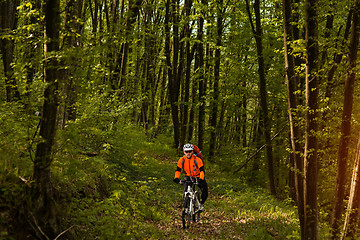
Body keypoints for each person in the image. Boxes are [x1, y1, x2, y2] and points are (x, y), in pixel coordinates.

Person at [173, 143, 208, 210]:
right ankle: (186, 208)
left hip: (198, 176)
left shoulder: (197, 160)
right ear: (184, 152)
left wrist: (201, 179)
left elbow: (202, 171)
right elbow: (178, 170)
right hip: (188, 176)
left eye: (190, 151)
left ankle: (201, 203)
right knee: (185, 191)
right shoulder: (182, 160)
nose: (188, 153)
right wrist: (176, 178)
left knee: (205, 191)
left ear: (192, 151)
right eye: (186, 151)